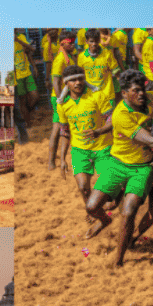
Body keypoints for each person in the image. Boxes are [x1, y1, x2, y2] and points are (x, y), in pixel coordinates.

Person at [84, 69, 153, 267]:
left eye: (143, 89)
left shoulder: (151, 99)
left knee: (129, 211)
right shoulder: (121, 115)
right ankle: (104, 221)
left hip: (143, 166)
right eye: (136, 91)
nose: (141, 94)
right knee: (92, 206)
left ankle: (118, 260)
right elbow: (152, 141)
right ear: (125, 93)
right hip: (117, 164)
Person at [55, 65, 113, 211]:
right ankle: (96, 213)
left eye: (80, 79)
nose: (78, 83)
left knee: (108, 188)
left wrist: (99, 132)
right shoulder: (62, 105)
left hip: (103, 147)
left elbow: (112, 120)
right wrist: (62, 159)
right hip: (80, 150)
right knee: (83, 188)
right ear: (66, 83)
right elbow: (65, 132)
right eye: (73, 80)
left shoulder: (97, 95)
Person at [48, 30, 78, 169]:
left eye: (74, 42)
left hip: (64, 97)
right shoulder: (60, 59)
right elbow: (55, 81)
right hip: (59, 98)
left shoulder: (68, 57)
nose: (73, 45)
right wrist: (61, 100)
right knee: (57, 129)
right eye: (70, 43)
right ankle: (51, 163)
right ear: (63, 43)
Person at [78, 29, 121, 115]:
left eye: (96, 41)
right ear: (86, 42)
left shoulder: (107, 54)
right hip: (91, 95)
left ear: (99, 40)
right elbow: (80, 76)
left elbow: (117, 73)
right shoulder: (81, 57)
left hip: (107, 95)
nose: (94, 44)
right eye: (91, 41)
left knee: (110, 122)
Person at [13, 31, 39, 144]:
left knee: (35, 96)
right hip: (16, 76)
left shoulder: (21, 37)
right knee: (21, 102)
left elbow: (31, 51)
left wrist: (34, 67)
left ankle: (28, 113)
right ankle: (27, 124)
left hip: (27, 73)